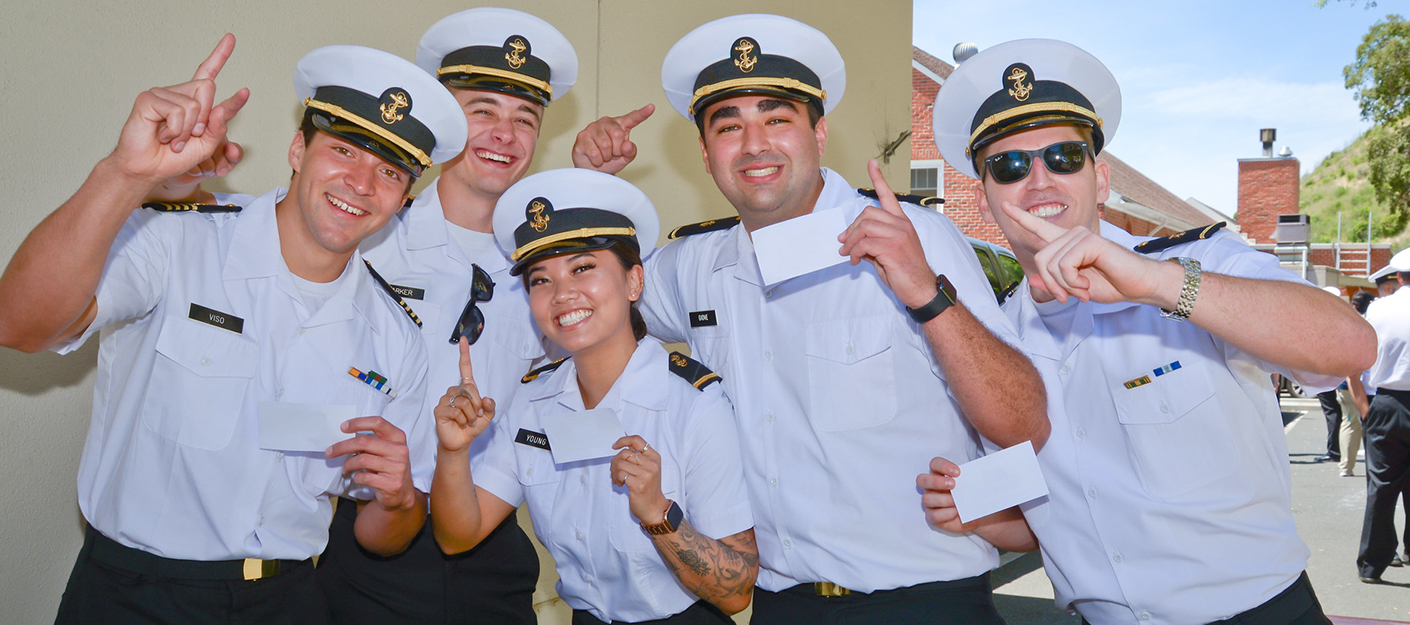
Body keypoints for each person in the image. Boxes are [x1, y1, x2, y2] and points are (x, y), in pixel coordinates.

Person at [577, 14, 1049, 624]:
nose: (754, 145)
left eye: (777, 119)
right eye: (729, 127)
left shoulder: (913, 236)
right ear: (703, 151)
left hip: (922, 602)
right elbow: (578, 313)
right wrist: (585, 194)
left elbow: (1023, 422)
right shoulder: (691, 265)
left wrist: (926, 293)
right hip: (780, 606)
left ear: (819, 133)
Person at [0, 38, 469, 622]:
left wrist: (400, 501)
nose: (361, 184)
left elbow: (384, 535)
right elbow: (19, 324)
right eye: (344, 151)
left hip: (287, 599)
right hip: (134, 595)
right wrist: (126, 173)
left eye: (390, 171)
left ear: (404, 198)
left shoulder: (395, 335)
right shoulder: (177, 240)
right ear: (298, 148)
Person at [922, 38, 1376, 624]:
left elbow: (1351, 347)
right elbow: (1045, 521)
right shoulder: (994, 342)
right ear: (984, 203)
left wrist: (1158, 284)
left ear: (1101, 179)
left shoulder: (1201, 265)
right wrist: (979, 515)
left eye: (1063, 157)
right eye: (1008, 167)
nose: (1038, 181)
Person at [312, 10, 580, 624]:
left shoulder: (551, 264)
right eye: (482, 110)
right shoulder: (371, 234)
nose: (504, 135)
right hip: (371, 540)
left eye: (525, 119)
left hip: (492, 545)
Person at [431, 168, 759, 624]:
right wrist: (453, 452)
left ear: (633, 283)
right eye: (540, 280)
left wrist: (659, 516)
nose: (563, 294)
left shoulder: (694, 403)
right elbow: (458, 536)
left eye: (583, 268)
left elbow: (738, 588)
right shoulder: (532, 402)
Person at [1358, 248, 1410, 583]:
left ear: (1398, 277)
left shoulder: (1379, 308)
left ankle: (1373, 563)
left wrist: (1363, 404)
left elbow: (1356, 355)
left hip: (1386, 403)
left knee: (1382, 486)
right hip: (1390, 400)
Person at [1338, 290, 1376, 478]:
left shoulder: (1349, 322)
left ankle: (1347, 466)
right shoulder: (1368, 325)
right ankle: (1347, 465)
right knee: (1355, 423)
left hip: (1348, 382)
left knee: (1351, 422)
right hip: (1355, 383)